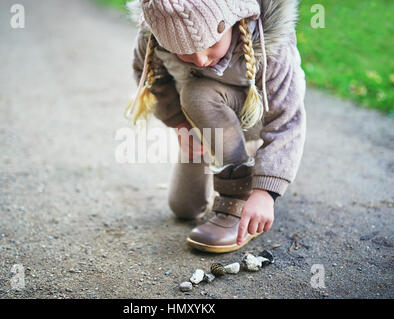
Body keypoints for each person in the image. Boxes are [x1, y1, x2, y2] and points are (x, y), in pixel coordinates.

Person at [126, 0, 306, 253]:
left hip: (255, 115)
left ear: (233, 19)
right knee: (184, 208)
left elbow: (286, 120)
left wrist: (265, 193)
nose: (200, 60)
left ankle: (236, 194)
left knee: (198, 94)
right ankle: (233, 155)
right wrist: (179, 123)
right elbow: (151, 81)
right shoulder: (156, 35)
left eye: (210, 44)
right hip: (202, 121)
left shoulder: (271, 42)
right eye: (185, 52)